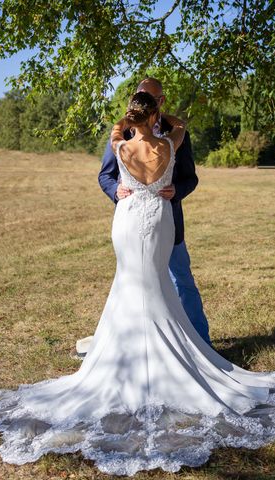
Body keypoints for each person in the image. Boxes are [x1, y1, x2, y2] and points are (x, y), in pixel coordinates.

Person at [0, 90, 275, 476]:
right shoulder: (171, 141)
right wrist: (157, 115)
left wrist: (133, 119)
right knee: (147, 285)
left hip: (129, 219)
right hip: (156, 216)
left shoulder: (120, 145)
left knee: (142, 286)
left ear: (131, 114)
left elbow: (121, 135)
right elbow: (174, 132)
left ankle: (154, 350)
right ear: (156, 109)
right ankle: (164, 353)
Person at [97, 77, 211, 347]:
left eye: (150, 97)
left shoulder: (129, 135)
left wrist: (177, 189)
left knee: (181, 280)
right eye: (140, 95)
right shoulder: (128, 137)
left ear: (161, 102)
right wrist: (116, 191)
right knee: (133, 284)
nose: (144, 100)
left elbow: (190, 178)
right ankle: (142, 344)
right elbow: (105, 176)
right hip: (133, 221)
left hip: (168, 222)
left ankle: (201, 343)